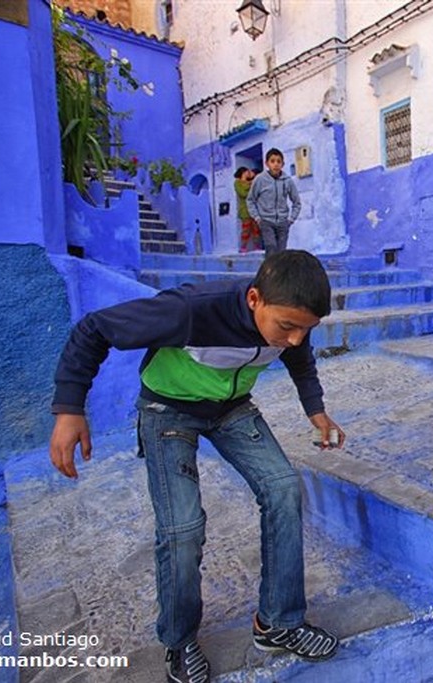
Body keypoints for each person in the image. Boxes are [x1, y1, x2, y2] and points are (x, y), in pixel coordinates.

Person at [49, 250, 344, 681]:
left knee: (282, 486)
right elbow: (94, 329)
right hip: (167, 410)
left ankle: (279, 623)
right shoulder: (191, 310)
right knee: (182, 527)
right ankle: (179, 640)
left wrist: (315, 411)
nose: (296, 338)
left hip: (232, 409)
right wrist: (69, 409)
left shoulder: (290, 327)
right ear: (254, 299)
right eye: (288, 326)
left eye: (306, 329)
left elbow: (300, 358)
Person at [248, 148, 301, 255]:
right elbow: (250, 200)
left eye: (278, 161)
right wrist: (258, 218)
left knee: (282, 252)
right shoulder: (260, 179)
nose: (275, 164)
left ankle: (280, 272)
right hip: (266, 221)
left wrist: (291, 219)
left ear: (283, 164)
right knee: (271, 247)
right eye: (272, 161)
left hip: (283, 222)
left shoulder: (287, 181)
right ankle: (269, 271)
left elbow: (296, 202)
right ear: (267, 163)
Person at [233, 166, 261, 253]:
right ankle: (243, 247)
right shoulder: (237, 183)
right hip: (245, 210)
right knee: (246, 229)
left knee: (256, 229)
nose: (249, 173)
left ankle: (257, 246)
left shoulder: (250, 183)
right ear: (243, 173)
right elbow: (243, 194)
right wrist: (251, 186)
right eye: (247, 172)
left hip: (254, 210)